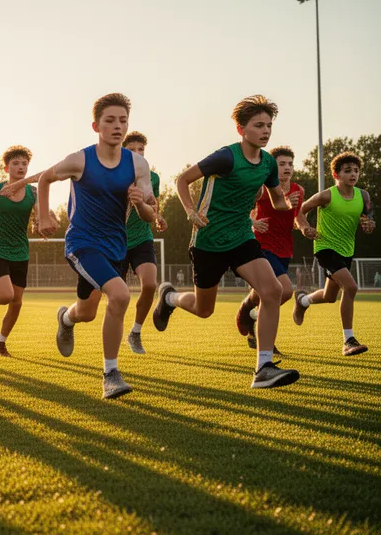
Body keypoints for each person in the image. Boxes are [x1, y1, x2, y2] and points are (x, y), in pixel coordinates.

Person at [153, 95, 299, 389]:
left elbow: (277, 201)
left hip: (242, 237)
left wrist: (293, 206)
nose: (266, 130)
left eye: (269, 125)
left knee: (272, 291)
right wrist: (190, 210)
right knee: (204, 309)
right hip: (208, 240)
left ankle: (264, 367)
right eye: (259, 125)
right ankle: (169, 298)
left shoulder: (268, 163)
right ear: (241, 128)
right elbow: (183, 180)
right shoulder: (225, 157)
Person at [31, 94, 157, 399]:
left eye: (123, 120)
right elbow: (46, 179)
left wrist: (141, 204)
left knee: (86, 312)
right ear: (95, 125)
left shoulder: (138, 165)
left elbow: (149, 213)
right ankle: (110, 374)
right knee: (120, 294)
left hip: (116, 247)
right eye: (110, 120)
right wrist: (44, 216)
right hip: (83, 244)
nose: (117, 126)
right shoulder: (80, 159)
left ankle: (65, 318)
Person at [292, 152, 374, 356]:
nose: (353, 174)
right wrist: (304, 228)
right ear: (336, 175)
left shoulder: (363, 196)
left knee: (330, 296)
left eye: (356, 171)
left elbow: (368, 218)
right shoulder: (326, 195)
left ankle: (302, 300)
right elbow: (300, 211)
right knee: (351, 287)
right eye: (347, 171)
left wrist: (369, 224)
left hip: (347, 250)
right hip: (325, 248)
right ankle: (348, 340)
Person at [235, 146, 310, 352]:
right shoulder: (261, 188)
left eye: (290, 164)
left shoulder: (298, 190)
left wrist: (305, 228)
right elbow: (242, 209)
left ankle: (250, 314)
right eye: (282, 164)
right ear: (272, 167)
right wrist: (253, 222)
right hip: (261, 245)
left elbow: (298, 216)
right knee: (284, 290)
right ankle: (263, 339)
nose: (287, 168)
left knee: (265, 292)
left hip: (285, 248)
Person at [0, 145, 38, 357]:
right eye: (15, 164)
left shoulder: (33, 192)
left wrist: (40, 224)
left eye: (24, 163)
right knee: (4, 296)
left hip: (20, 250)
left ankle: (0, 343)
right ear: (6, 168)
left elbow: (38, 218)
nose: (21, 167)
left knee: (16, 301)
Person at [121, 131, 167, 355]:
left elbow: (153, 206)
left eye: (141, 150)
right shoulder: (112, 177)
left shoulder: (152, 178)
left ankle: (136, 333)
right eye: (132, 150)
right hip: (115, 241)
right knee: (117, 297)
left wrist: (157, 216)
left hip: (141, 239)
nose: (138, 154)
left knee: (149, 284)